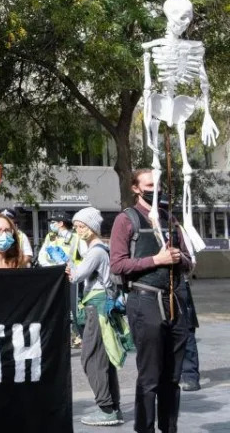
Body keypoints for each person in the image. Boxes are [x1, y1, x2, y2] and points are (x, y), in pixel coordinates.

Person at [110, 169, 191, 433]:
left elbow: (189, 262)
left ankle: (170, 428)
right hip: (144, 300)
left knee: (173, 377)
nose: (155, 190)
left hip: (175, 301)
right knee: (150, 376)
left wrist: (180, 258)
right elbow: (118, 264)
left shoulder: (170, 218)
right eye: (148, 185)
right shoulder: (126, 219)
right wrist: (155, 260)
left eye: (158, 185)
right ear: (135, 188)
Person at [68, 207, 123, 427]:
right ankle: (112, 406)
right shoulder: (100, 248)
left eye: (81, 226)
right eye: (76, 226)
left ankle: (106, 408)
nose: (78, 230)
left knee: (91, 358)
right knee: (104, 358)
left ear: (92, 227)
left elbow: (76, 277)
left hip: (97, 308)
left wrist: (69, 264)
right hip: (102, 306)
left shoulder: (96, 251)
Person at [178, 223, 201, 393]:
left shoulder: (178, 229)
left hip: (180, 286)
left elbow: (191, 261)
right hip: (159, 288)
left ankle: (190, 375)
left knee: (186, 331)